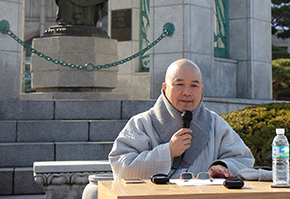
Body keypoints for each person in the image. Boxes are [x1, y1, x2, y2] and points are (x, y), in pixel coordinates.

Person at [109, 59, 254, 179]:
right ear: (165, 88)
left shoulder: (216, 124)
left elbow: (244, 160)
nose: (187, 92)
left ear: (201, 89)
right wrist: (168, 151)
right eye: (179, 85)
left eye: (194, 86)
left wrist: (222, 166)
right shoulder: (142, 123)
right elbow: (120, 166)